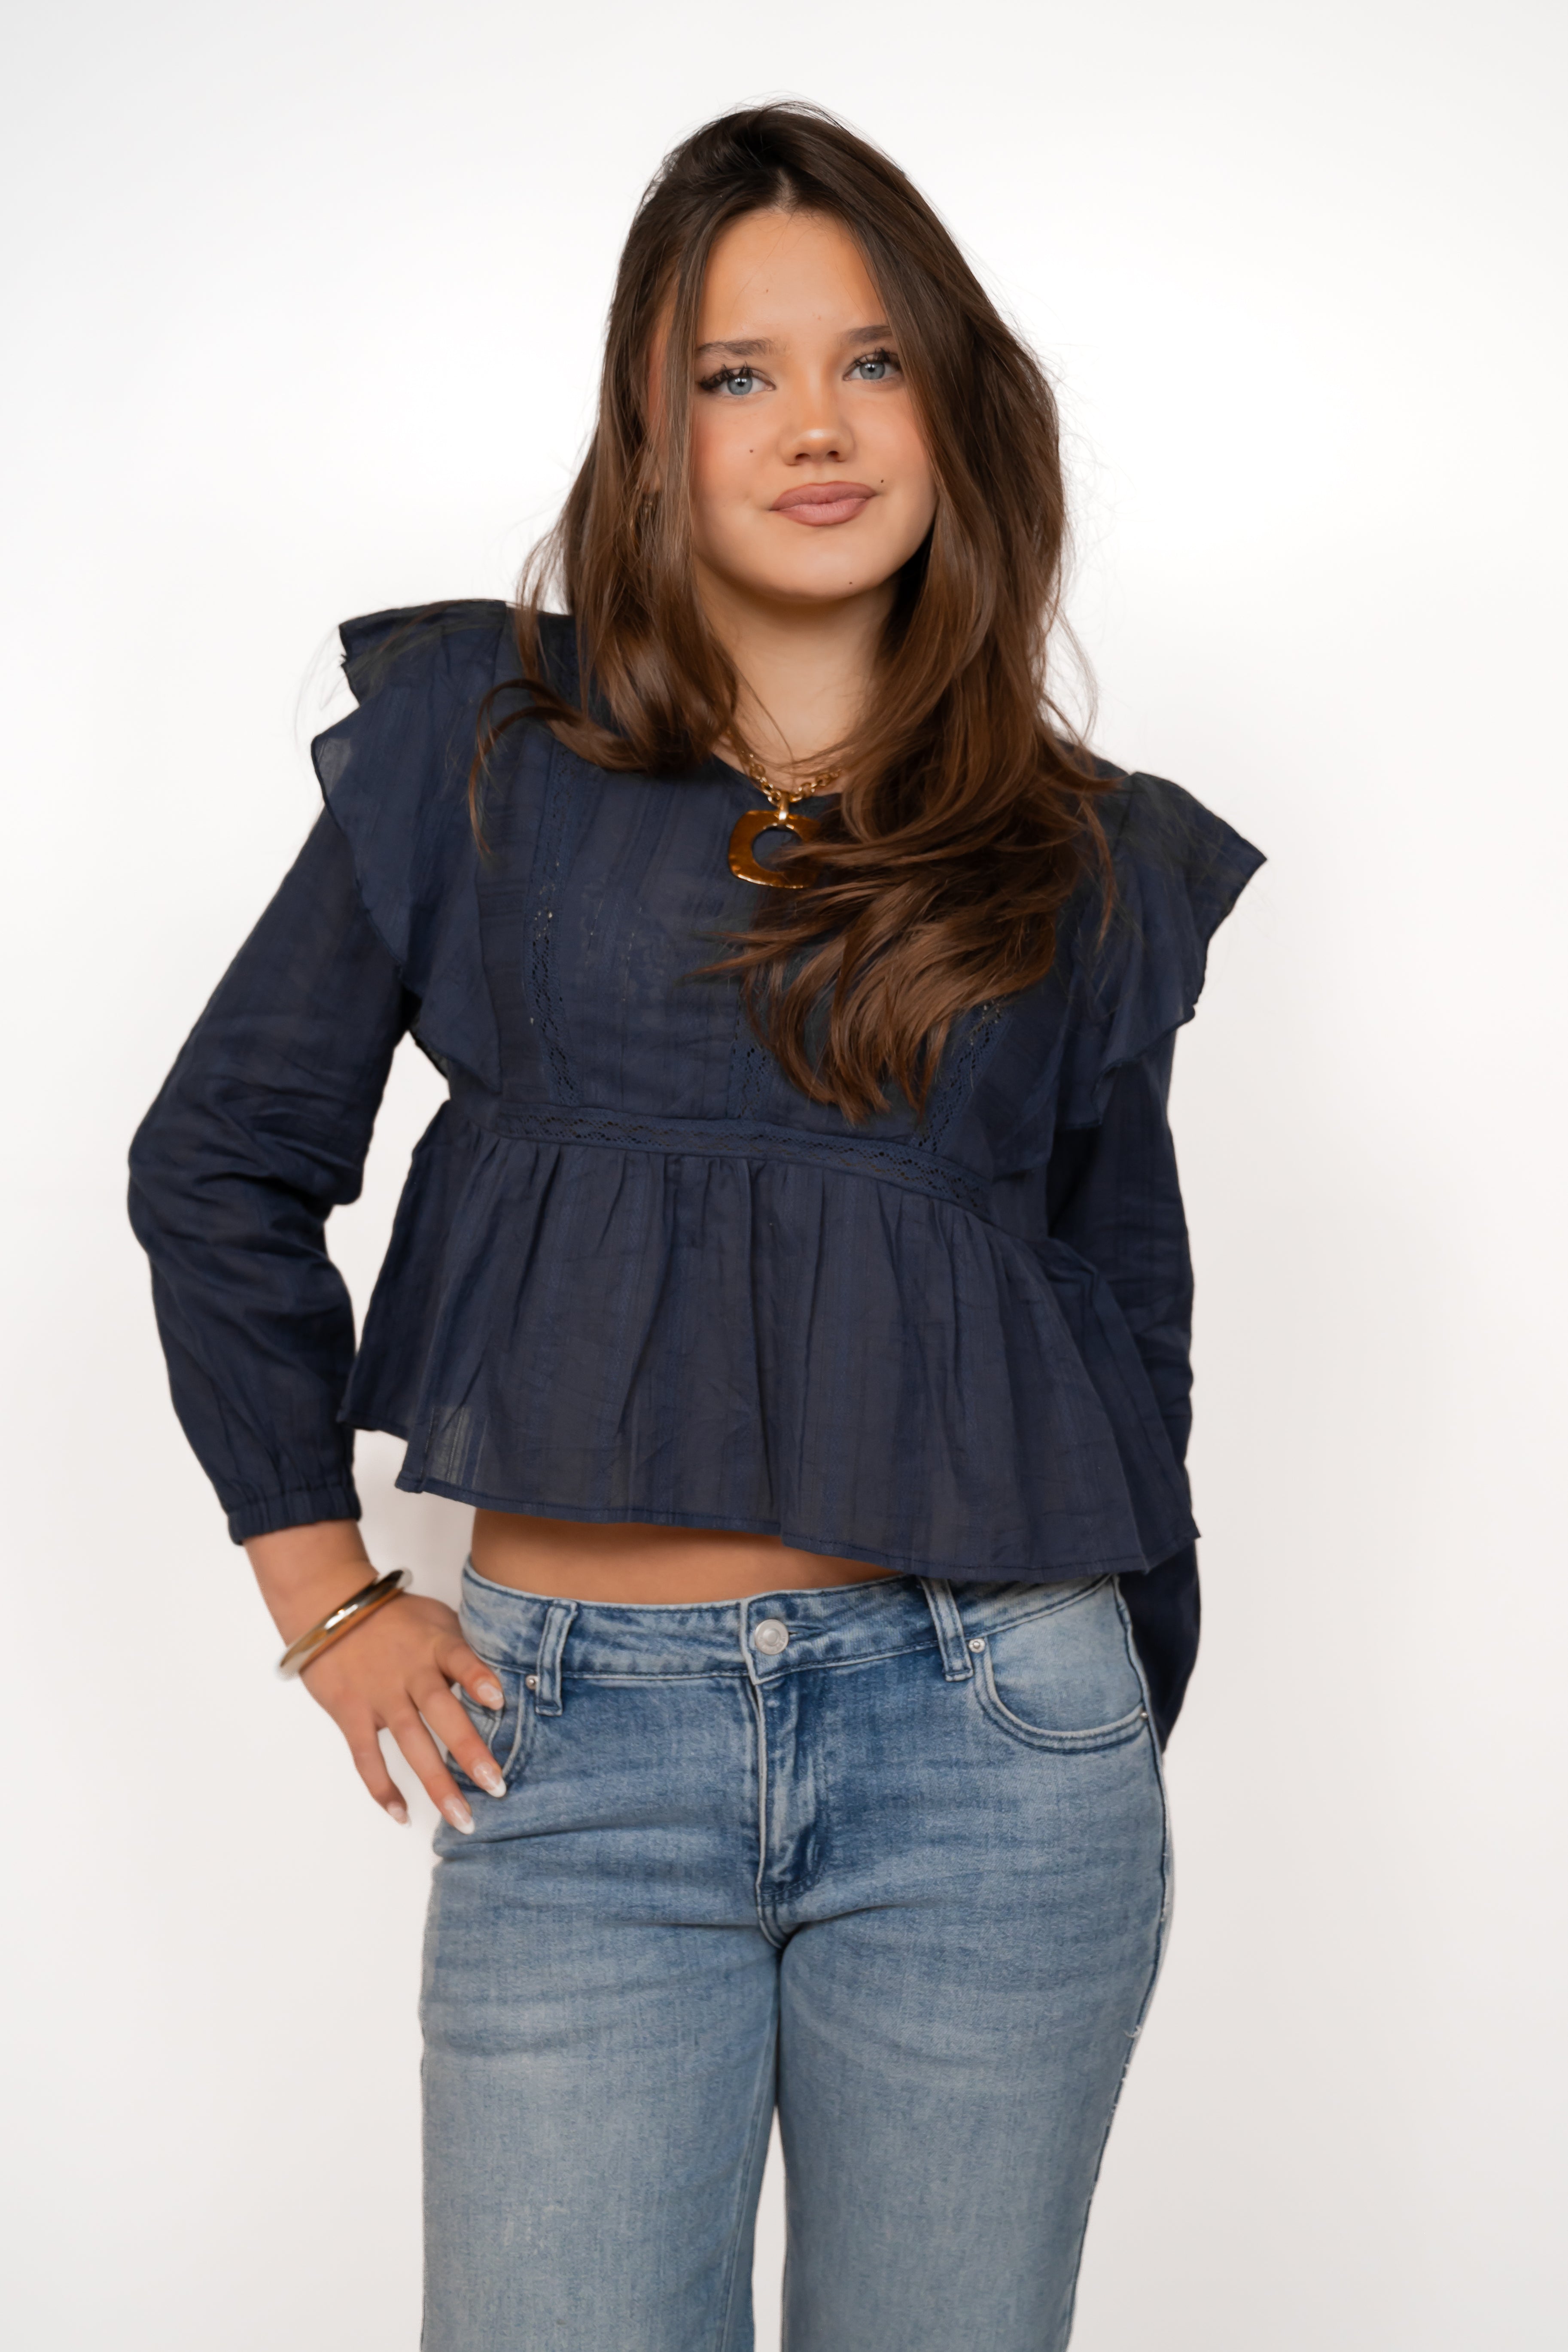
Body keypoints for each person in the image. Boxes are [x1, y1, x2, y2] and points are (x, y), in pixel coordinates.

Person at [129, 101, 1262, 2352]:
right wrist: (325, 1595)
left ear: (956, 408)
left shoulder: (1075, 851)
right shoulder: (481, 753)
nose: (813, 426)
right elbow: (221, 1160)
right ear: (652, 438)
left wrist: (1118, 1707)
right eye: (738, 374)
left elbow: (1119, 1300)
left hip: (999, 1744)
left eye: (872, 361)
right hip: (572, 1752)